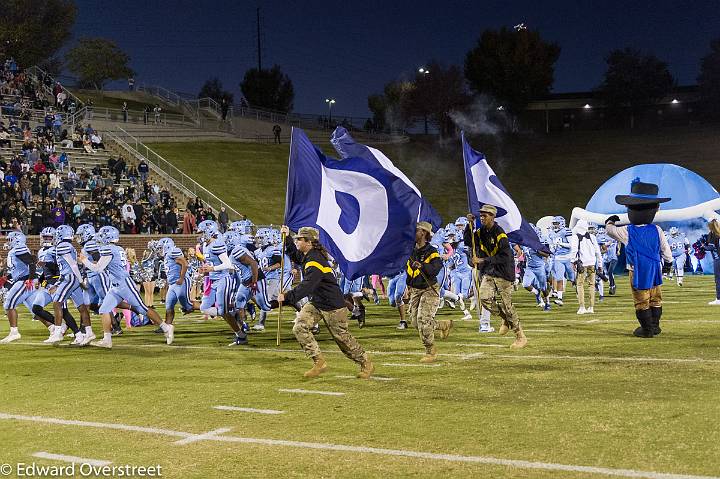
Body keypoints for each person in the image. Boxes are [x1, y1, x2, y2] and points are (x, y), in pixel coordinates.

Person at [278, 225, 374, 379]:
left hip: (333, 305)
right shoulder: (308, 255)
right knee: (300, 327)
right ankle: (319, 362)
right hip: (317, 302)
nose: (297, 242)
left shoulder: (315, 259)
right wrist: (287, 237)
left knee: (342, 339)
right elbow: (296, 256)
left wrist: (288, 297)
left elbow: (308, 284)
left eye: (299, 239)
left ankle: (366, 362)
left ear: (308, 242)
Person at [605, 179, 673, 338]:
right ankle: (655, 327)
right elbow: (666, 250)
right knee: (656, 297)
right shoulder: (657, 229)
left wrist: (611, 220)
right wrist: (668, 264)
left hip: (637, 269)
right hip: (655, 268)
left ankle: (647, 329)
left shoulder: (628, 231)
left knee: (641, 299)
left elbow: (609, 230)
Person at [464, 205, 527, 349]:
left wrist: (483, 260)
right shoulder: (481, 232)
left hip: (504, 272)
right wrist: (470, 226)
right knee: (484, 298)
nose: (482, 217)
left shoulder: (500, 233)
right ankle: (505, 318)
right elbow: (469, 241)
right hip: (489, 271)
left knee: (507, 305)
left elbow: (504, 256)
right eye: (481, 215)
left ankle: (520, 336)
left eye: (485, 215)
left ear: (492, 217)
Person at [406, 221, 453, 362]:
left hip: (429, 289)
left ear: (424, 233)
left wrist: (423, 265)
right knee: (415, 322)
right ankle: (443, 325)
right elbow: (408, 272)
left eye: (417, 230)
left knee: (424, 320)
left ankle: (430, 351)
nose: (414, 233)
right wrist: (408, 288)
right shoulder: (411, 251)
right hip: (415, 289)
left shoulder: (431, 251)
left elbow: (435, 269)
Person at [569, 219, 603, 315]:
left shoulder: (575, 237)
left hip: (582, 264)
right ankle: (591, 307)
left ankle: (582, 307)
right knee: (591, 285)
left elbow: (574, 250)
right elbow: (597, 251)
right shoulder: (592, 237)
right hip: (592, 263)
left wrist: (572, 261)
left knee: (580, 285)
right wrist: (600, 264)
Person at [706, 220, 720, 305]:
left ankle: (719, 298)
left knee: (718, 279)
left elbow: (711, 247)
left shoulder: (712, 234)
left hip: (718, 259)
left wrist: (703, 246)